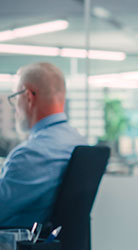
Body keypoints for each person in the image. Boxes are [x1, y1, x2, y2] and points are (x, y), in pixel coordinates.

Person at [0, 62, 86, 228]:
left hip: (12, 246)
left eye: (15, 98)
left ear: (28, 97)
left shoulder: (31, 154)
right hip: (47, 247)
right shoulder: (77, 141)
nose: (15, 107)